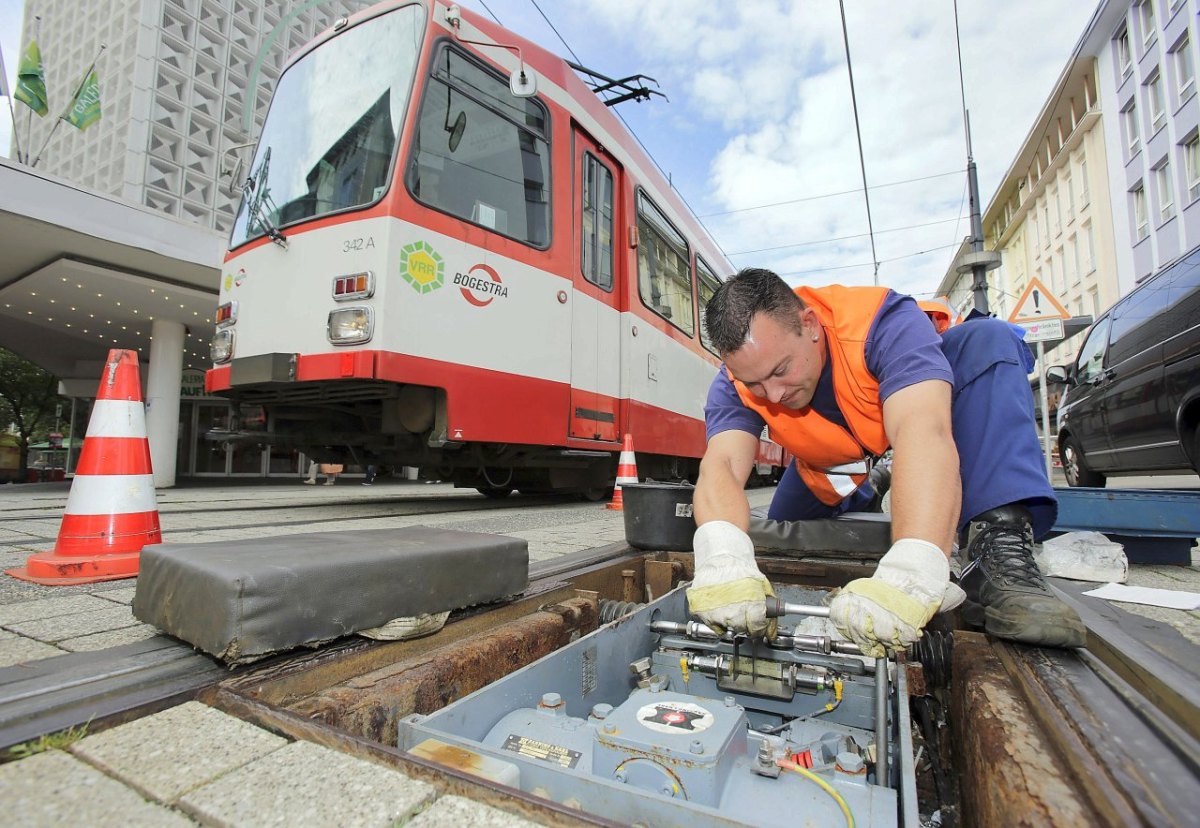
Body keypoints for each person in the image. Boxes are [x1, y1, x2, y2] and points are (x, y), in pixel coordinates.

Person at [688, 268, 1085, 657]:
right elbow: (721, 464)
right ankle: (874, 483)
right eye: (755, 384)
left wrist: (914, 568)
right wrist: (723, 559)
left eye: (780, 370)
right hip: (831, 458)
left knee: (987, 339)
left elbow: (923, 430)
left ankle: (999, 544)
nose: (772, 395)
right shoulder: (734, 381)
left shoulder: (882, 323)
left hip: (907, 427)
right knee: (786, 525)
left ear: (808, 324)